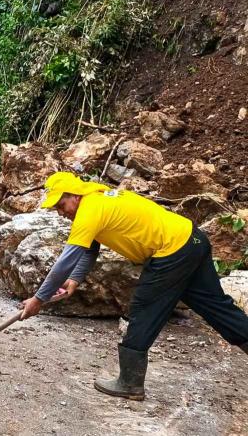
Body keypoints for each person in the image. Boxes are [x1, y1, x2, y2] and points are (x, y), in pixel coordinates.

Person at [20, 171, 248, 400]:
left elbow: (64, 262)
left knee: (144, 309)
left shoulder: (89, 210)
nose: (61, 213)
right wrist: (75, 279)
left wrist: (38, 299)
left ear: (75, 195)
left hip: (172, 251)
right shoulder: (98, 197)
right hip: (193, 239)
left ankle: (130, 383)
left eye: (61, 205)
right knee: (215, 305)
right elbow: (91, 248)